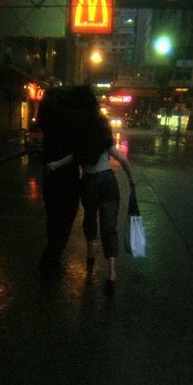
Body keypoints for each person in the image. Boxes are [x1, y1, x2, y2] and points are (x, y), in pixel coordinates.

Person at [48, 92, 135, 293]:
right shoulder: (105, 140)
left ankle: (90, 252)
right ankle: (112, 272)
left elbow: (72, 157)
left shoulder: (82, 139)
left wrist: (55, 164)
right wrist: (131, 181)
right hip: (108, 180)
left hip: (89, 182)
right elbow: (123, 160)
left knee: (90, 218)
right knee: (109, 226)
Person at [36, 85, 97, 277]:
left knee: (53, 217)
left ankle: (51, 256)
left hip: (49, 175)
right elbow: (84, 152)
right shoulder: (75, 120)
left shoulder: (48, 119)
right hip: (68, 178)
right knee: (65, 219)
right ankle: (51, 260)